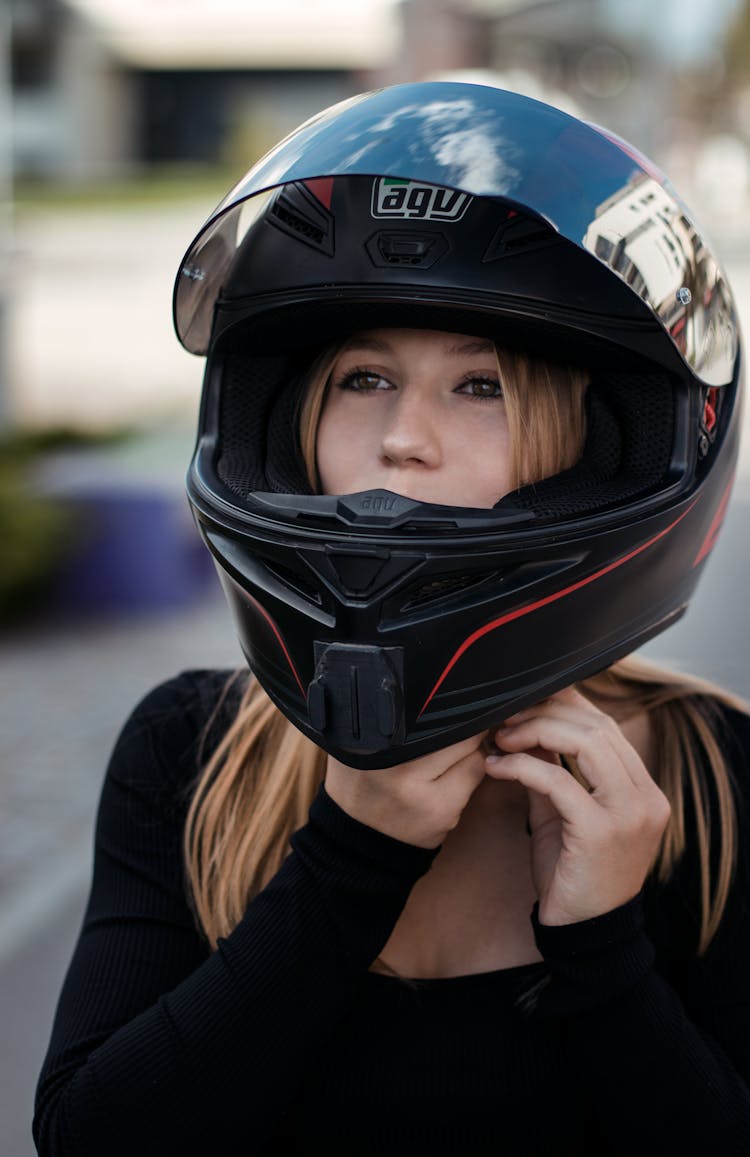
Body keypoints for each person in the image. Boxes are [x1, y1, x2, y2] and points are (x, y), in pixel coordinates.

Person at [33, 81, 750, 1157]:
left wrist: (605, 944)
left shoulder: (708, 774)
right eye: (365, 376)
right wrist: (350, 855)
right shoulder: (189, 751)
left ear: (590, 445)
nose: (405, 438)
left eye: (482, 387)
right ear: (285, 422)